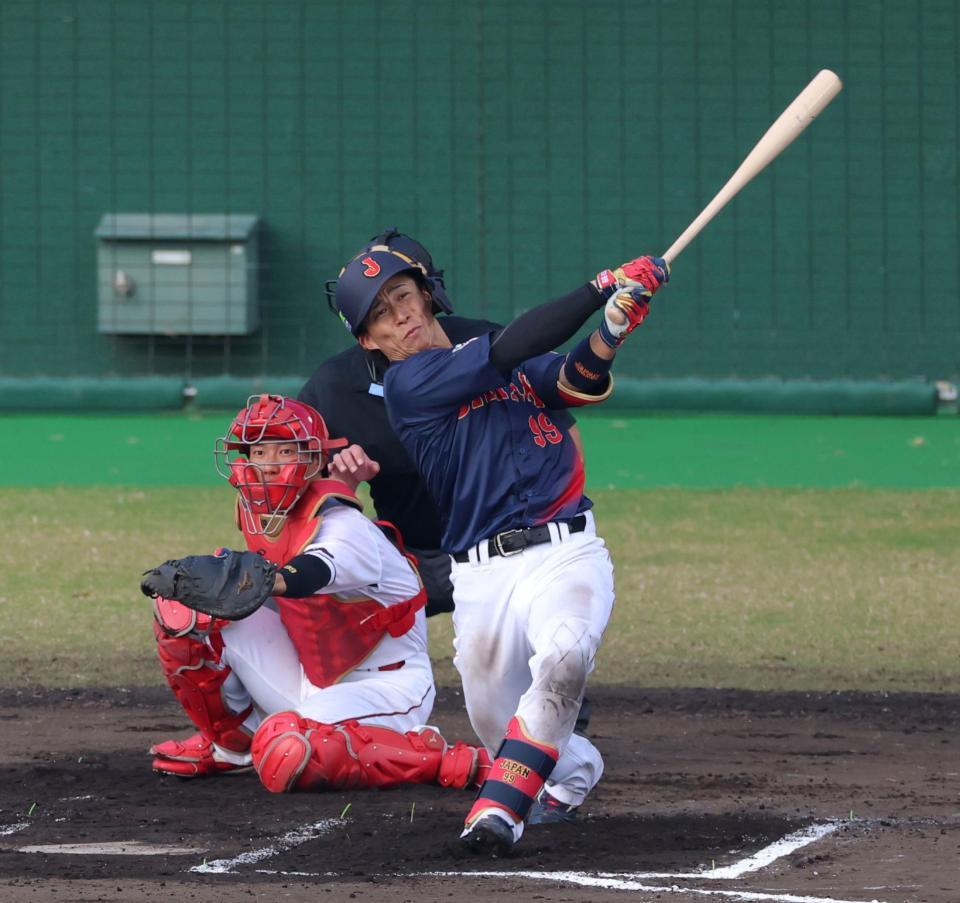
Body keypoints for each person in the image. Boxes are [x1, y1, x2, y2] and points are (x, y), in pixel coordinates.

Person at [333, 244, 669, 854]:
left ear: (425, 295)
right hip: (481, 578)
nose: (400, 315)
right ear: (371, 341)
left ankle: (495, 815)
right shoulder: (411, 384)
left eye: (404, 296)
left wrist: (612, 332)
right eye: (381, 314)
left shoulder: (495, 356)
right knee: (500, 725)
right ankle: (573, 770)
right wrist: (601, 287)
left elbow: (572, 381)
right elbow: (511, 350)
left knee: (565, 660)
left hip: (566, 551)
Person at [145, 393, 490, 797]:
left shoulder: (345, 527)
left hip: (387, 686)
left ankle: (446, 760)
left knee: (286, 750)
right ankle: (231, 746)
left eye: (284, 450)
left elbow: (307, 575)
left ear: (311, 461)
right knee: (181, 610)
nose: (269, 463)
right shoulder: (261, 516)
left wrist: (240, 579)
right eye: (259, 451)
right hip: (310, 673)